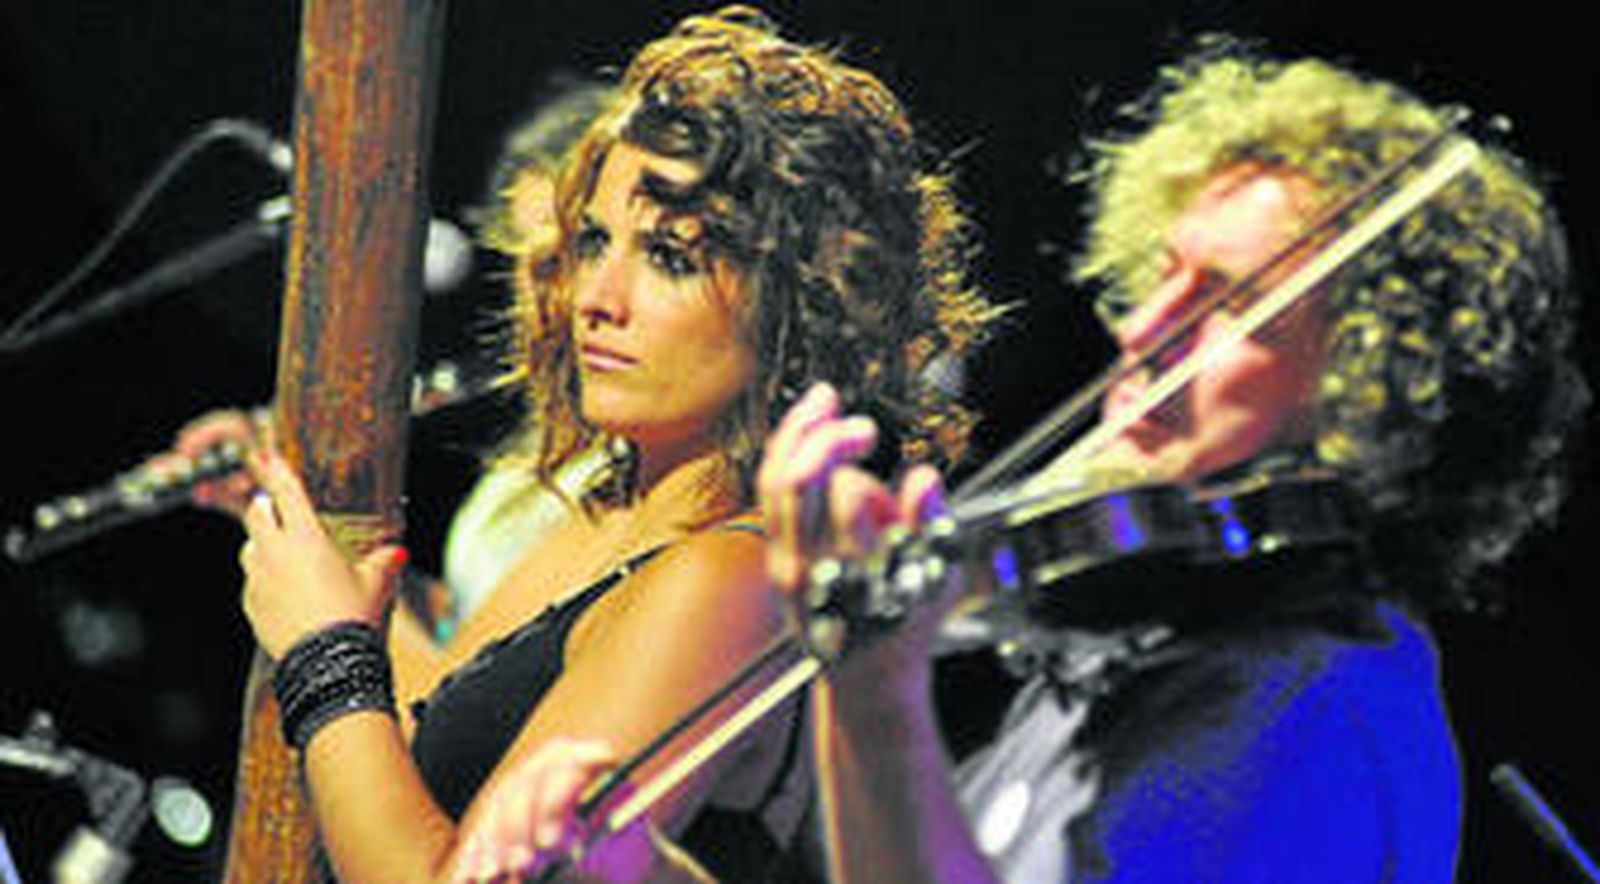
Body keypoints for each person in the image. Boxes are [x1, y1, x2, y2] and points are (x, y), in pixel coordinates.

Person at [755, 45, 1586, 882]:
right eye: (1163, 275)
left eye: (1233, 307)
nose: (1143, 330)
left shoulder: (1308, 710)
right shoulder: (1133, 655)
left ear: (1375, 396)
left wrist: (876, 692)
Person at [234, 6, 994, 882]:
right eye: (596, 241)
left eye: (669, 256)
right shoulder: (601, 519)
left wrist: (326, 654)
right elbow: (415, 776)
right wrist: (341, 606)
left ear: (798, 312)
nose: (597, 295)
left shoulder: (733, 575)